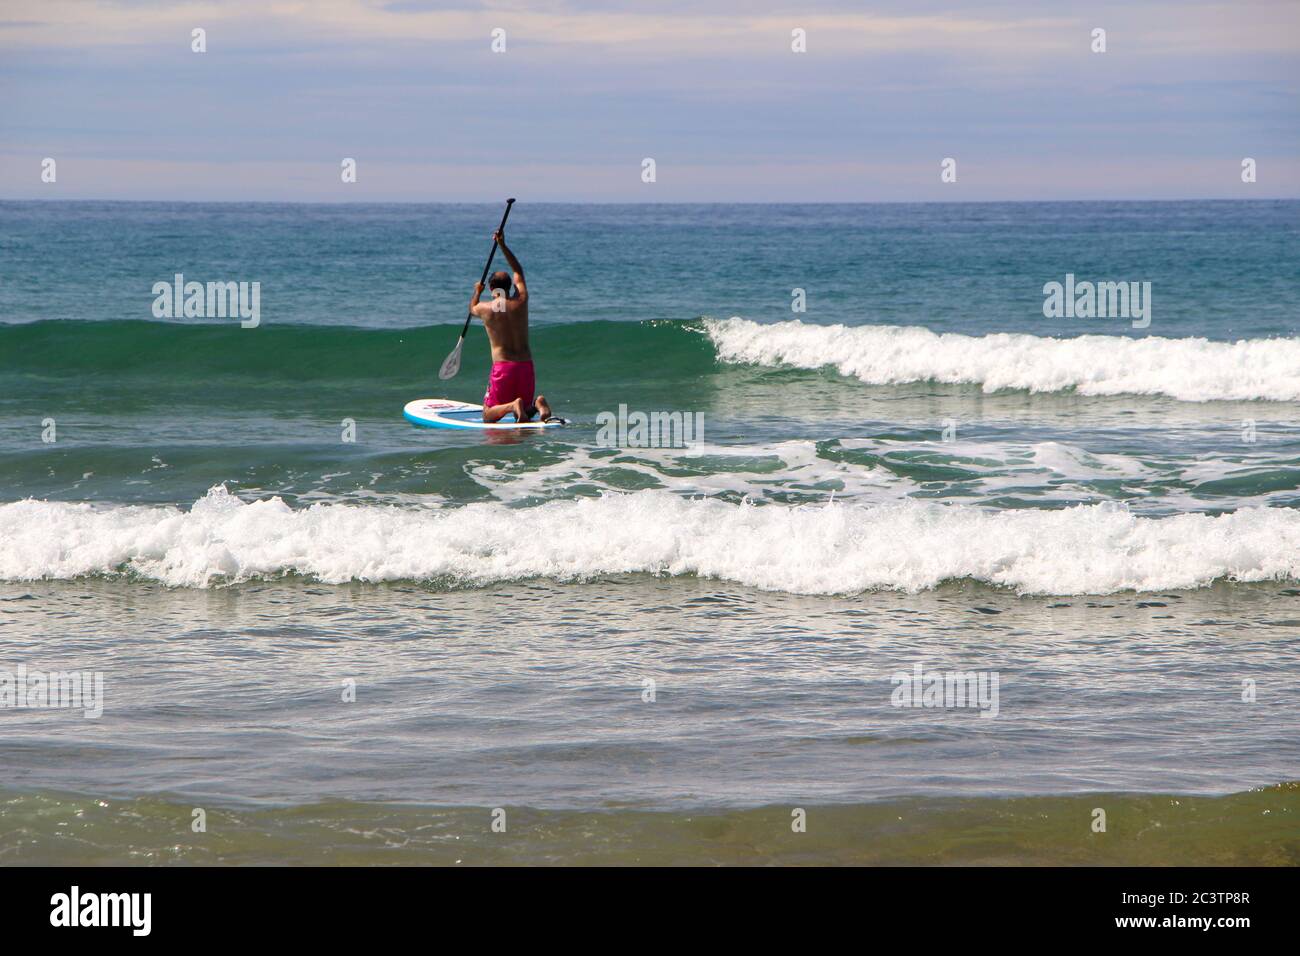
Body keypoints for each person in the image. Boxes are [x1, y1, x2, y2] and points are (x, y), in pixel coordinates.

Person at [468, 230, 552, 423]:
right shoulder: (521, 301)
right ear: (510, 287)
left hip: (503, 368)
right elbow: (518, 272)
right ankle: (538, 404)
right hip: (525, 365)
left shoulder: (485, 309)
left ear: (491, 288)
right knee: (524, 409)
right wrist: (503, 245)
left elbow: (471, 308)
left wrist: (476, 292)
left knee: (488, 415)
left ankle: (513, 405)